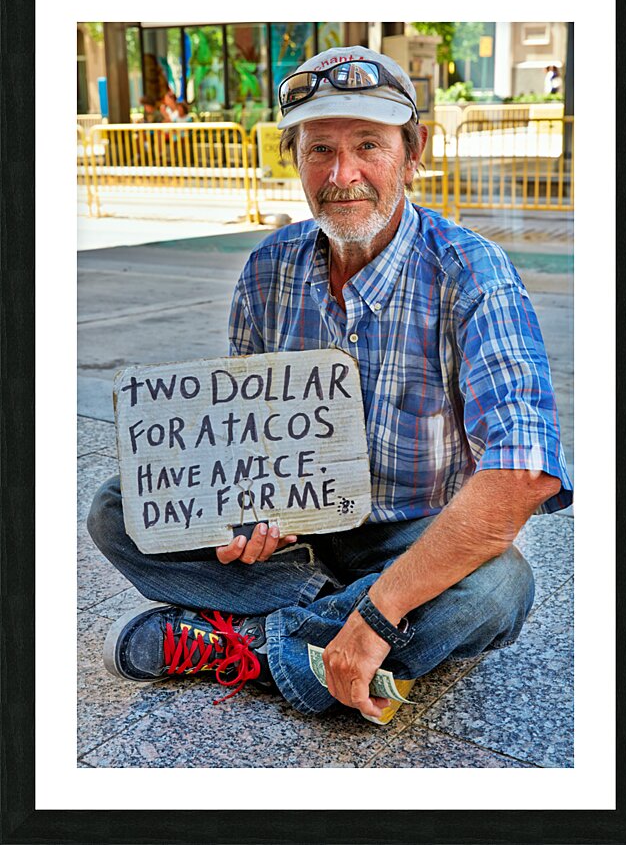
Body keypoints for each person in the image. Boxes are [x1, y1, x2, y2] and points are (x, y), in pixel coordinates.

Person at [88, 46, 572, 723]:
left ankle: (253, 646)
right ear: (294, 157)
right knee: (121, 507)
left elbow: (524, 473)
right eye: (319, 150)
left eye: (367, 145)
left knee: (498, 587)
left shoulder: (472, 273)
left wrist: (380, 610)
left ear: (413, 151)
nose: (342, 175)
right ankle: (328, 637)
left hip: (414, 533)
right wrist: (246, 510)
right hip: (301, 537)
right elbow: (244, 436)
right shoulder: (267, 270)